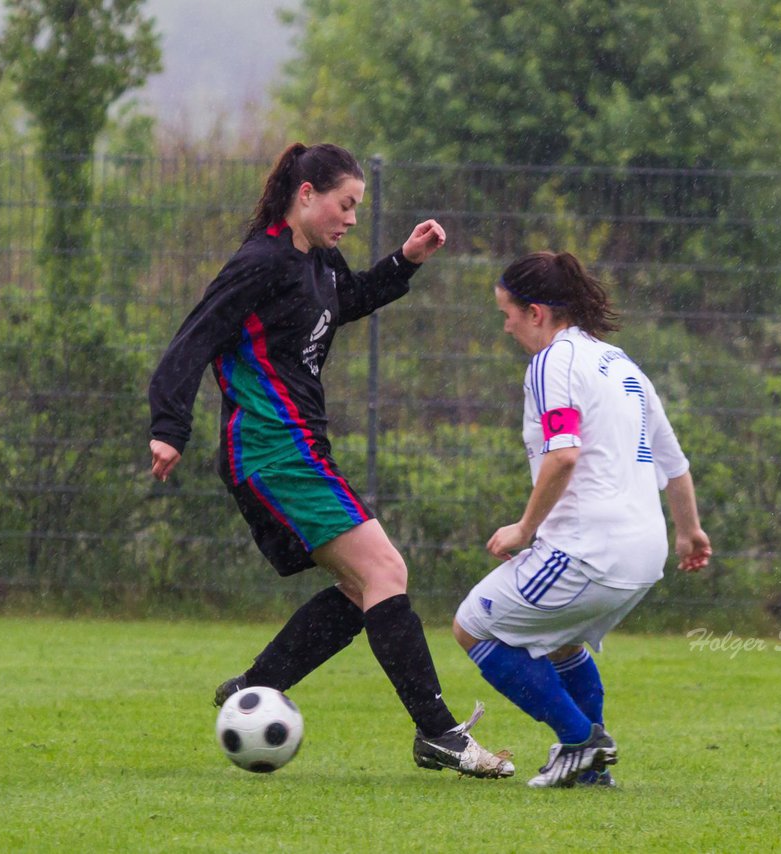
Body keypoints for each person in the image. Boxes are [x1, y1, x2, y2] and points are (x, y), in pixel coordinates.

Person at [147, 142, 513, 779]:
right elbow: (195, 335)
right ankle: (439, 733)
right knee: (384, 571)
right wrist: (169, 426)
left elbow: (348, 301)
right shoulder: (260, 261)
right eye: (345, 205)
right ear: (307, 193)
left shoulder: (317, 262)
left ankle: (253, 688)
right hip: (271, 449)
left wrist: (404, 261)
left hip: (300, 447)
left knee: (360, 586)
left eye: (357, 209)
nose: (350, 218)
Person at [452, 251, 712, 788]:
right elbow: (674, 463)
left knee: (473, 627)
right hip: (645, 553)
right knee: (560, 641)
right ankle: (590, 776)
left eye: (508, 313)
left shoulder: (552, 362)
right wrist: (689, 532)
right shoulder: (623, 366)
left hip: (588, 549)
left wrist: (524, 530)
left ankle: (581, 740)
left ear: (538, 313)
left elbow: (563, 453)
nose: (505, 325)